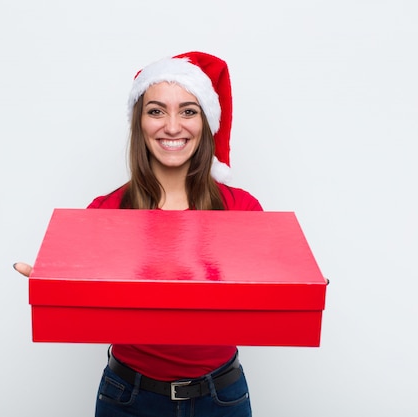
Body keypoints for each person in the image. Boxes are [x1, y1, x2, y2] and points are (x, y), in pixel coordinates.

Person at [14, 51, 262, 417]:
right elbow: (82, 301)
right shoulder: (106, 211)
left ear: (206, 122)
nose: (173, 126)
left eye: (189, 111)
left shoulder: (242, 210)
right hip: (128, 397)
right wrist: (53, 285)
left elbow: (264, 298)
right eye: (156, 111)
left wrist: (298, 281)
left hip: (220, 397)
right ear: (140, 123)